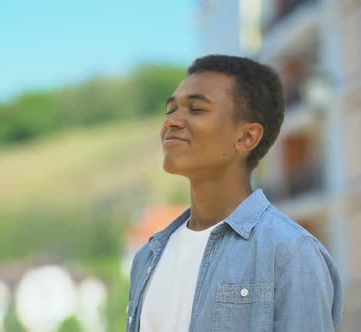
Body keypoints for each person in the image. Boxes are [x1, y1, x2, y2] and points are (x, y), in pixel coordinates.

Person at [126, 55, 342, 332]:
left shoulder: (290, 253)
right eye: (171, 110)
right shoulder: (147, 257)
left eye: (196, 109)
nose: (172, 122)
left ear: (247, 137)